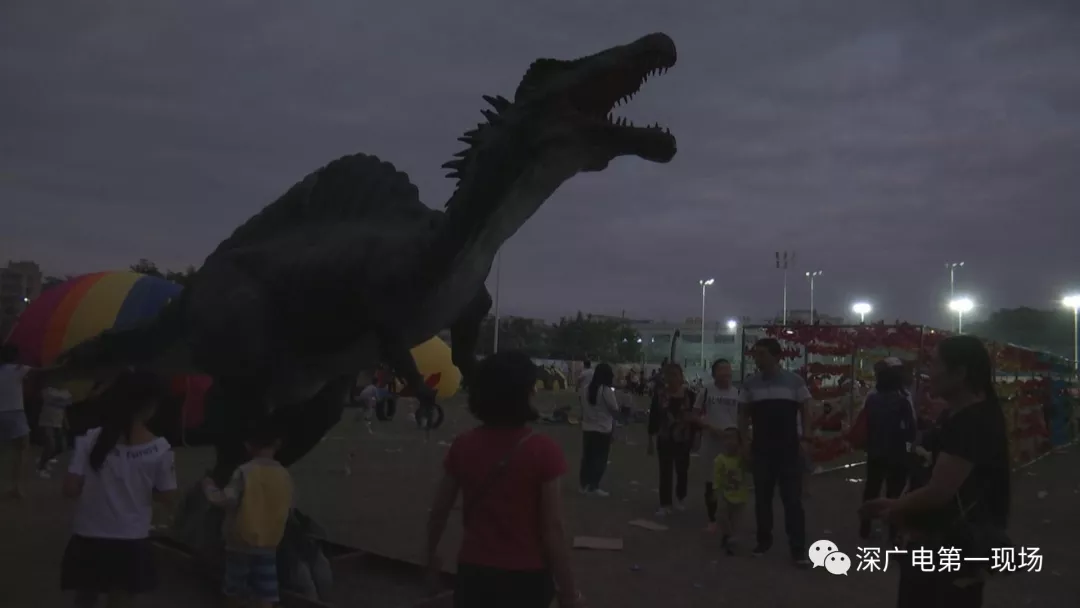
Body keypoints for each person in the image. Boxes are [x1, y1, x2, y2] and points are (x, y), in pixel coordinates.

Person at [425, 351, 582, 608]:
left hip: (474, 574)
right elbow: (552, 528)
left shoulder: (463, 445)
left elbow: (439, 512)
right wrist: (569, 592)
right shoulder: (543, 450)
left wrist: (431, 555)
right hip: (527, 578)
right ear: (525, 394)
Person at [862, 336, 1010, 608]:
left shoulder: (973, 422)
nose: (927, 372)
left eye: (934, 364)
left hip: (950, 553)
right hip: (934, 549)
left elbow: (939, 491)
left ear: (960, 373)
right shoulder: (954, 415)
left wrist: (894, 507)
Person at [60, 371, 178, 607]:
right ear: (150, 406)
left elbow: (70, 489)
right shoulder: (160, 449)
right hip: (130, 538)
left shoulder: (89, 439)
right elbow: (167, 496)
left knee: (85, 596)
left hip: (88, 535)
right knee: (121, 598)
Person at [203, 421, 294, 608]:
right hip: (270, 542)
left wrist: (209, 487)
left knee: (234, 589)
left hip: (240, 543)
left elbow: (227, 499)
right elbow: (289, 506)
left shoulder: (245, 472)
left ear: (247, 445)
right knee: (266, 591)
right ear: (278, 443)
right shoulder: (284, 475)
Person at [738, 338, 811, 566]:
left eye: (762, 354)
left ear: (776, 356)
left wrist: (806, 439)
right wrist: (744, 442)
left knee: (792, 500)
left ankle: (798, 548)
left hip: (789, 448)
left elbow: (806, 409)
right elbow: (743, 414)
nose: (757, 358)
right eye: (756, 354)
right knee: (762, 498)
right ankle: (763, 541)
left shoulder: (794, 382)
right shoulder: (750, 384)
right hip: (761, 448)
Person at [858, 357, 916, 544]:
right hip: (897, 453)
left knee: (872, 488)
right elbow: (911, 430)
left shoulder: (872, 400)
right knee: (894, 493)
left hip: (875, 451)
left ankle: (865, 526)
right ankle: (893, 532)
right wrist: (910, 449)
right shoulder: (903, 400)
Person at [692, 358, 741, 532]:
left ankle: (729, 517)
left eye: (728, 369)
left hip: (731, 444)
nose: (726, 373)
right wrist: (709, 427)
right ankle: (712, 517)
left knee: (731, 480)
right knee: (711, 480)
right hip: (711, 442)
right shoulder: (706, 391)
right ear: (714, 373)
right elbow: (694, 415)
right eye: (722, 369)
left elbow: (743, 417)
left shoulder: (737, 393)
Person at [648, 363, 697, 517]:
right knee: (665, 471)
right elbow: (653, 416)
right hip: (664, 438)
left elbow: (695, 418)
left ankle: (680, 497)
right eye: (669, 375)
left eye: (675, 375)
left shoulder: (690, 395)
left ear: (681, 377)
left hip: (684, 438)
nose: (672, 378)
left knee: (682, 470)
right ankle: (665, 503)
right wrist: (650, 438)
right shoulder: (660, 395)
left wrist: (696, 437)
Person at [579, 363, 619, 497]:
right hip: (603, 429)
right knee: (600, 459)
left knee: (587, 457)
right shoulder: (606, 391)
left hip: (587, 427)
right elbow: (614, 409)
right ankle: (593, 486)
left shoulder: (585, 389)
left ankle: (584, 485)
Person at [0, 343, 32, 498]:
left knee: (5, 450)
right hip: (15, 412)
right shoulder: (19, 369)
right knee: (22, 448)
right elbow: (43, 371)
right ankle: (15, 486)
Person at [712, 428, 749, 555]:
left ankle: (730, 542)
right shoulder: (720, 459)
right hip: (725, 494)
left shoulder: (741, 459)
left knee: (735, 521)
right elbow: (717, 477)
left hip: (740, 496)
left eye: (732, 438)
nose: (729, 442)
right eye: (726, 438)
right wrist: (716, 490)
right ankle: (728, 535)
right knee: (721, 516)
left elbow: (749, 467)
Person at [37, 384, 73, 478]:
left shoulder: (66, 392)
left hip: (58, 423)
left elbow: (64, 409)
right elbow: (44, 398)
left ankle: (44, 460)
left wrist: (66, 423)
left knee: (62, 447)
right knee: (51, 445)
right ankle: (41, 468)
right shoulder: (47, 390)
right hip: (46, 422)